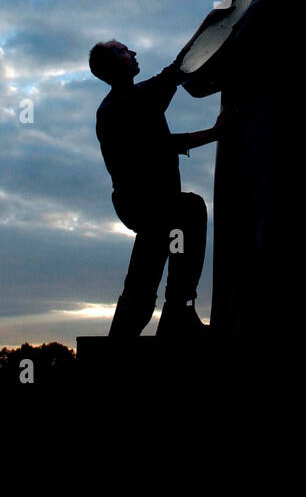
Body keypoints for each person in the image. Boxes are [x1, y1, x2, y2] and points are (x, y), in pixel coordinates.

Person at [90, 39, 219, 337]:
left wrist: (207, 26)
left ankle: (133, 331)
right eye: (123, 51)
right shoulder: (114, 110)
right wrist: (215, 133)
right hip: (144, 205)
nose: (133, 52)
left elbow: (174, 71)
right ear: (112, 65)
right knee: (190, 210)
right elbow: (161, 146)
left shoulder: (139, 95)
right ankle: (178, 312)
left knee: (143, 277)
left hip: (155, 207)